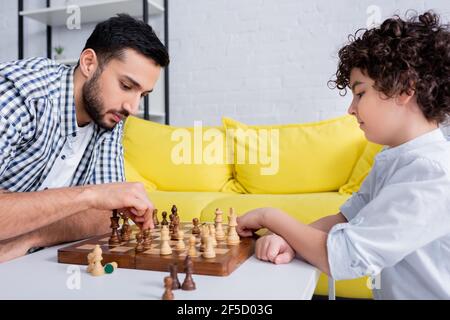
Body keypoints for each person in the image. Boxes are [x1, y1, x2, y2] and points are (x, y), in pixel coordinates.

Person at [236, 11, 450, 299]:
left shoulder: (432, 172)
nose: (351, 108)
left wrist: (269, 216)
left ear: (404, 90)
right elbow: (345, 219)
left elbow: (346, 256)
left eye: (360, 93)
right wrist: (288, 239)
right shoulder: (396, 158)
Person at [0, 14, 169, 262]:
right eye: (125, 85)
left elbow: (105, 217)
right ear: (89, 63)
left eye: (143, 94)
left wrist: (28, 236)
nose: (132, 107)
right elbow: (99, 199)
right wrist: (88, 196)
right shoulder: (20, 94)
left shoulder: (109, 115)